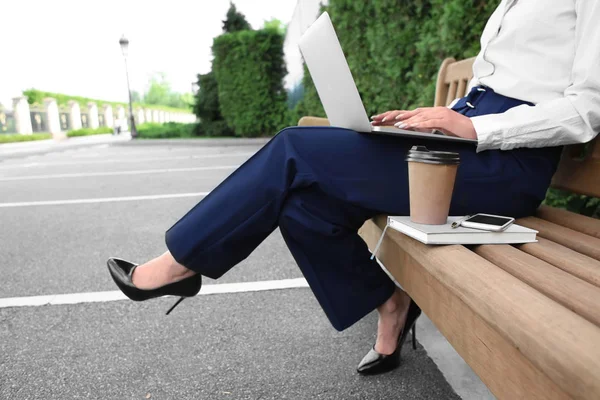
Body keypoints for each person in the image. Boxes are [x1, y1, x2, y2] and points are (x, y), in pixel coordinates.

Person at [107, 0, 599, 376]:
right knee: (304, 203)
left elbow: (588, 108)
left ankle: (179, 265)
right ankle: (391, 303)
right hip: (458, 150)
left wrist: (475, 129)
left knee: (295, 148)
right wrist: (425, 122)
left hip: (505, 167)